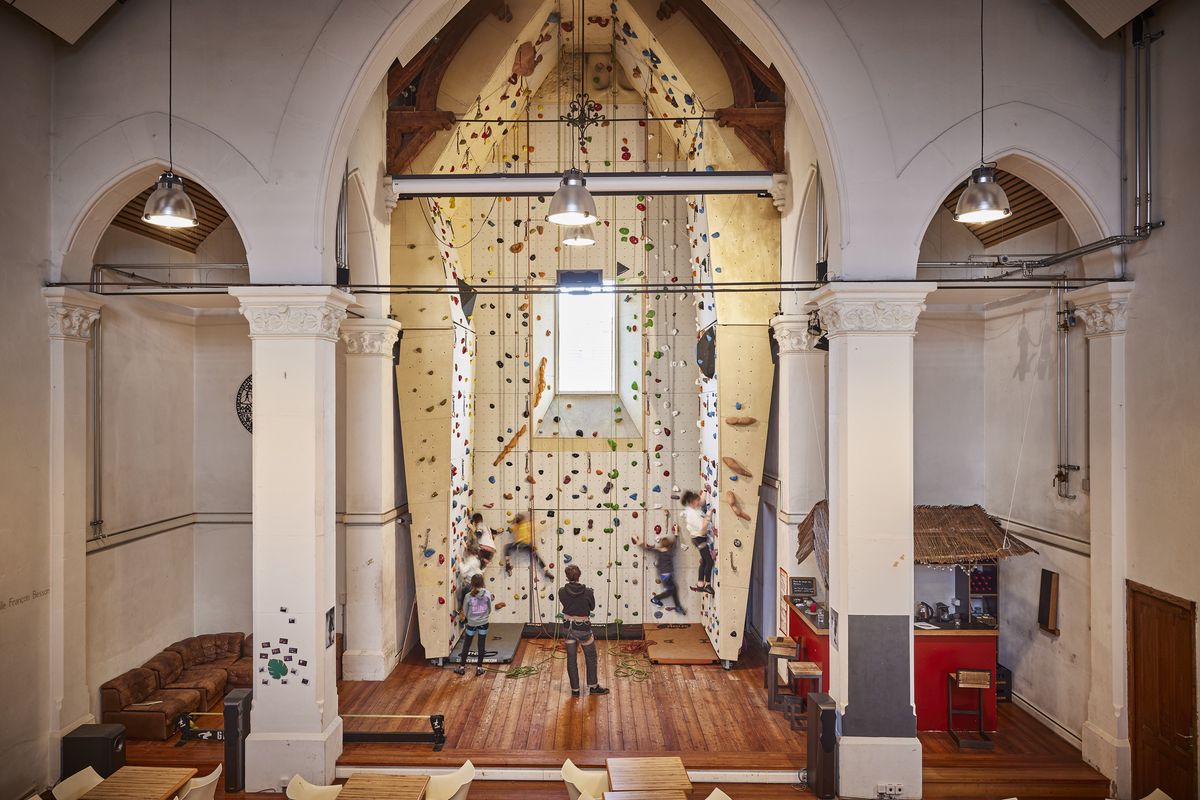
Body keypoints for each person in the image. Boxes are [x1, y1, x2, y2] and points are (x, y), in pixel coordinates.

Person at [558, 564, 609, 696]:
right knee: (591, 657)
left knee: (571, 658)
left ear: (567, 577)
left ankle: (575, 690)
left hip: (568, 628)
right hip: (583, 629)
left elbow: (566, 603)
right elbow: (591, 608)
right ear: (579, 575)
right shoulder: (588, 592)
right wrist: (589, 594)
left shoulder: (561, 591)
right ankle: (593, 687)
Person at [455, 574, 505, 675]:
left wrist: (470, 618)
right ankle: (479, 668)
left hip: (472, 624)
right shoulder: (487, 594)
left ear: (472, 584)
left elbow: (465, 610)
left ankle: (461, 667)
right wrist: (483, 617)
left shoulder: (468, 596)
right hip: (484, 623)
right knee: (481, 645)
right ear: (482, 582)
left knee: (467, 645)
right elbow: (490, 609)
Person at [633, 529, 685, 614]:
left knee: (673, 590)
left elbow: (646, 548)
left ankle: (677, 607)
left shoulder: (658, 550)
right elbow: (675, 542)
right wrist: (676, 532)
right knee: (671, 591)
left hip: (663, 575)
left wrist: (637, 541)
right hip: (668, 575)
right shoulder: (670, 551)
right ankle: (656, 598)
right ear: (668, 544)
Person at [680, 490, 715, 594]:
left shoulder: (693, 508)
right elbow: (702, 528)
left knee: (704, 561)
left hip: (698, 538)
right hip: (699, 538)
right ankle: (707, 584)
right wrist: (708, 515)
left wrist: (704, 490)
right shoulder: (692, 514)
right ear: (692, 502)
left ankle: (700, 584)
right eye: (697, 501)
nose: (700, 502)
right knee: (709, 561)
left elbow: (702, 501)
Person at [503, 513, 552, 580]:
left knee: (507, 547)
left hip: (521, 545)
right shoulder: (525, 525)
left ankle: (508, 565)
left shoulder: (518, 526)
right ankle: (546, 571)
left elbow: (515, 527)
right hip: (526, 545)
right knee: (537, 557)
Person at [457, 544, 483, 612]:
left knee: (464, 600)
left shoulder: (471, 561)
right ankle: (464, 613)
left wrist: (459, 561)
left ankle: (462, 612)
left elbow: (463, 571)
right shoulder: (476, 559)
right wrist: (465, 547)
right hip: (475, 583)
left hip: (471, 585)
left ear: (469, 552)